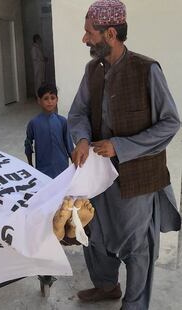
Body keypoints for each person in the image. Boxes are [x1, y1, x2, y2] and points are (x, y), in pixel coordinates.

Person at [68, 1, 181, 309]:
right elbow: (78, 113)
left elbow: (171, 123)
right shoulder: (92, 70)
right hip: (99, 177)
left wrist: (121, 146)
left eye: (90, 33)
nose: (85, 39)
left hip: (137, 181)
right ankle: (107, 287)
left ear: (111, 34)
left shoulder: (147, 70)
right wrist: (81, 139)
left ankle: (134, 305)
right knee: (96, 234)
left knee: (138, 247)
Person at [24, 84, 73, 178]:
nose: (50, 101)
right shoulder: (34, 123)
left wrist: (75, 166)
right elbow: (28, 145)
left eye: (52, 98)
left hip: (62, 168)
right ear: (39, 101)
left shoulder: (62, 121)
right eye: (46, 98)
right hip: (43, 169)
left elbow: (69, 146)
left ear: (57, 99)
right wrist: (30, 165)